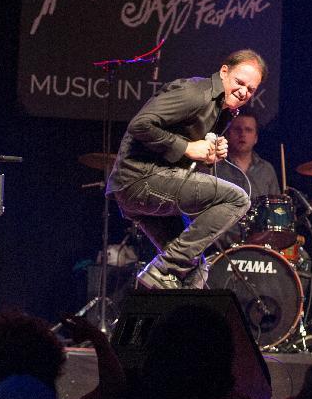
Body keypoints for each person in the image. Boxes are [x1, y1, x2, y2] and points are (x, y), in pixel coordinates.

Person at [107, 50, 265, 289]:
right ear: (224, 72)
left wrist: (208, 154)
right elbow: (140, 125)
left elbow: (179, 154)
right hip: (140, 180)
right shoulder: (196, 93)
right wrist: (188, 147)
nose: (244, 92)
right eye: (239, 82)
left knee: (195, 271)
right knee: (238, 199)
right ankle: (162, 268)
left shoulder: (222, 109)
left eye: (251, 89)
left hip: (148, 184)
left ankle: (171, 319)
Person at [213, 112, 281, 249]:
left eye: (248, 130)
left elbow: (276, 211)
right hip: (219, 246)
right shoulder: (214, 167)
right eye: (237, 129)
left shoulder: (267, 170)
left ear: (255, 138)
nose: (242, 134)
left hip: (259, 245)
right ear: (227, 134)